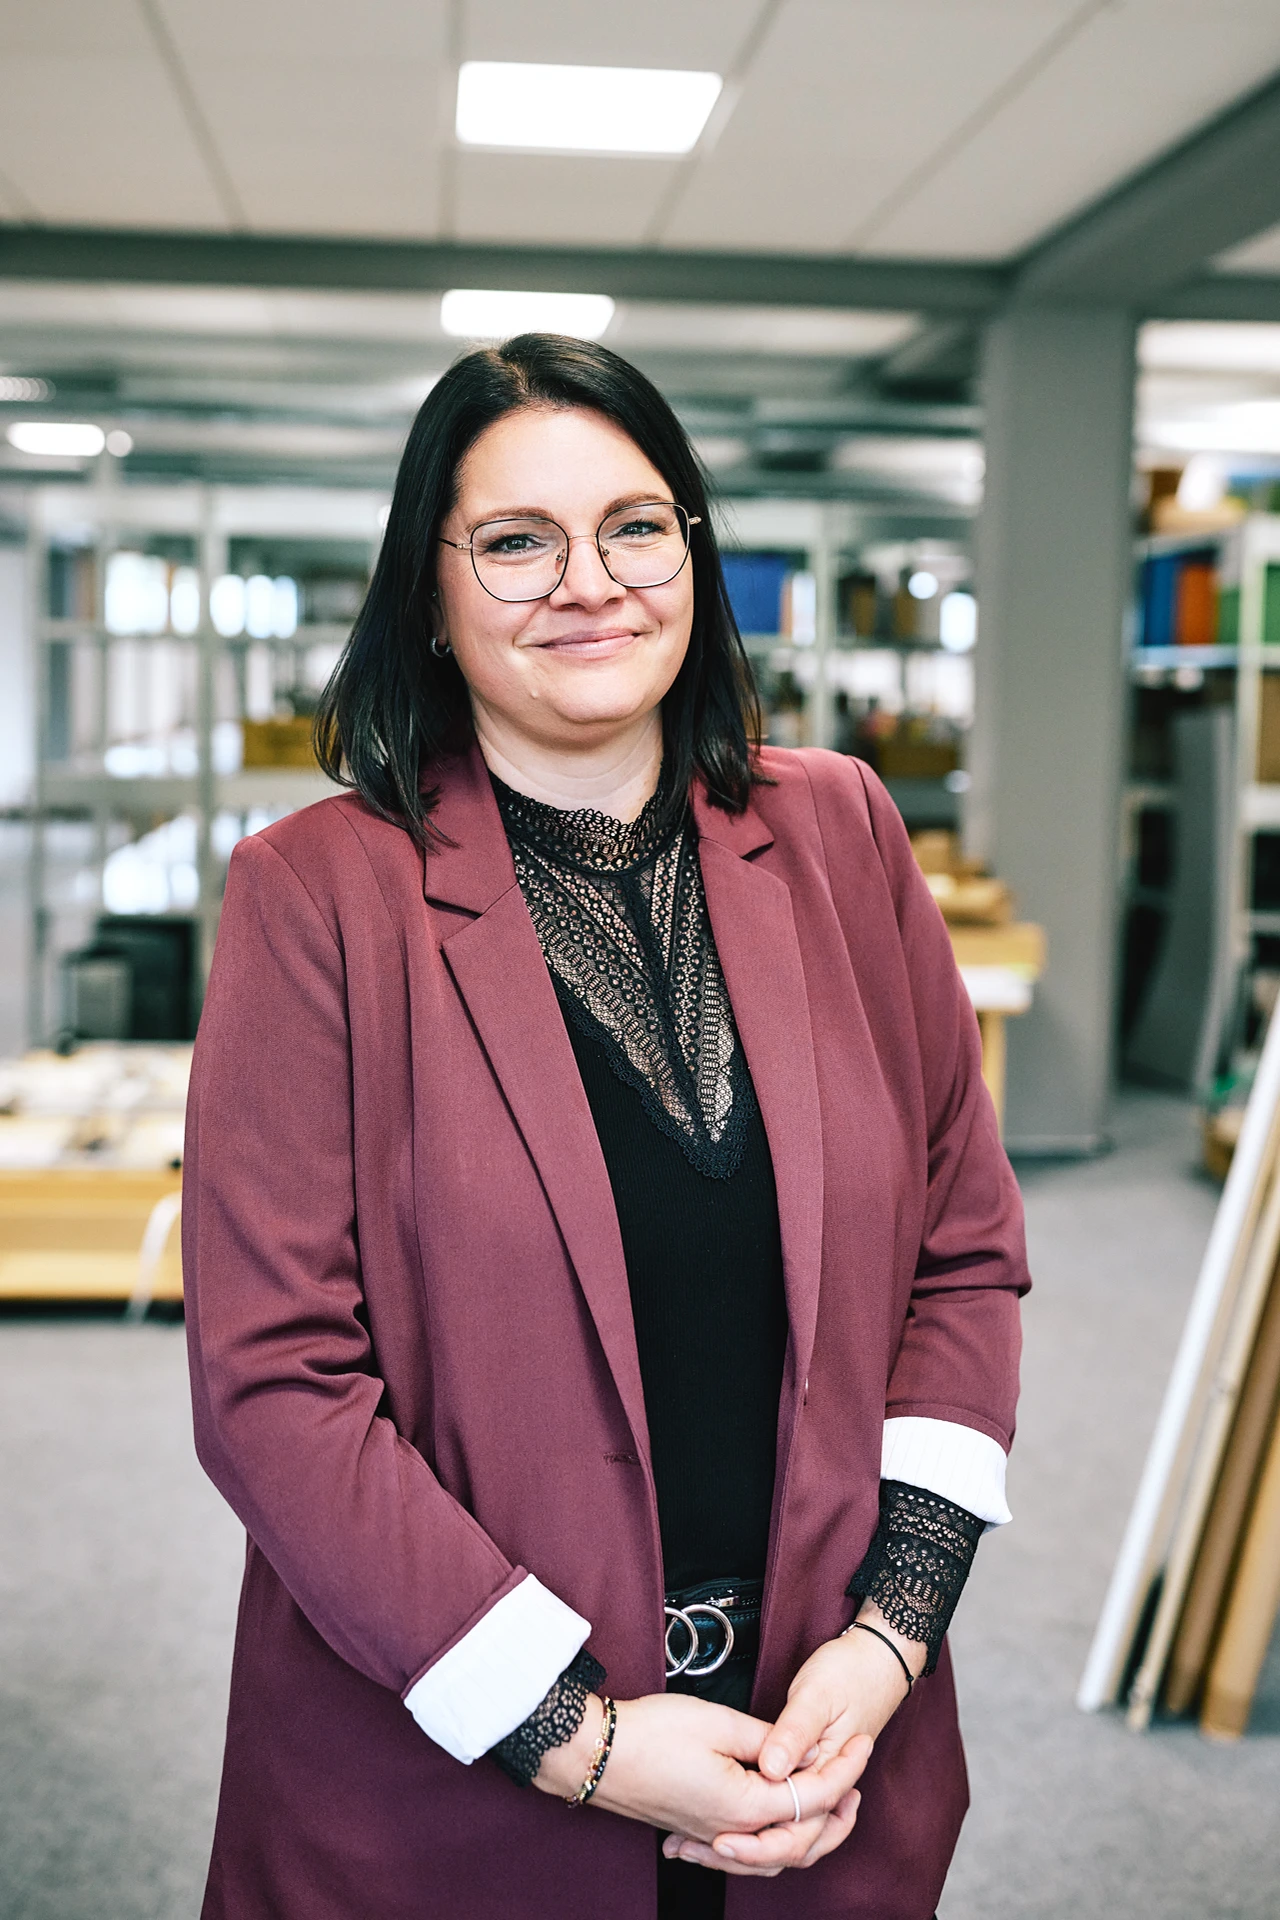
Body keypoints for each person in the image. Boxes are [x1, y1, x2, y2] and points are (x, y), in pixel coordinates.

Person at [184, 333, 1029, 1920]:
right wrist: (581, 1738)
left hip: (821, 1749)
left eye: (637, 526)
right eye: (515, 542)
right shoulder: (315, 895)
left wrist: (891, 1632)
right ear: (427, 594)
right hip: (457, 1790)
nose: (591, 580)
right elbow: (272, 1384)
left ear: (693, 553)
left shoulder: (841, 829)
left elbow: (965, 1261)